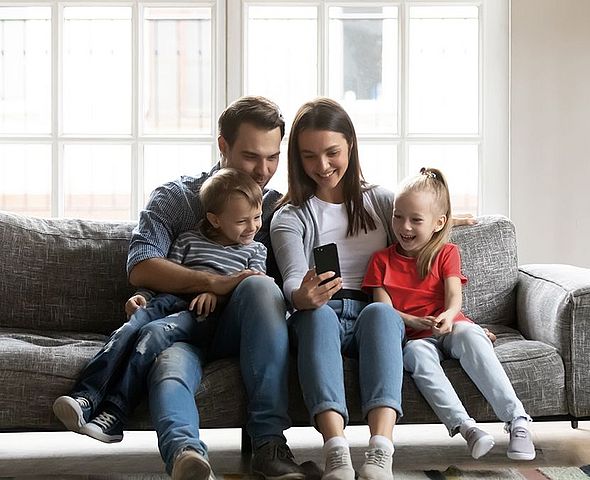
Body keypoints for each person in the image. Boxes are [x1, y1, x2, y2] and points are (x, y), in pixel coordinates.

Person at [57, 96, 306, 480]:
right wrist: (209, 282)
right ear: (222, 145)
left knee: (260, 288)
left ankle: (270, 445)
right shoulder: (177, 198)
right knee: (168, 363)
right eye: (252, 156)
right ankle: (185, 454)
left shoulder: (275, 209)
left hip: (240, 331)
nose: (263, 170)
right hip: (180, 328)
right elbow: (141, 265)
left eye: (273, 157)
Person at [54, 168, 268, 447]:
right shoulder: (188, 240)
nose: (252, 227)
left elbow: (254, 293)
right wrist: (142, 295)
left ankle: (115, 413)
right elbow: (167, 277)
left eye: (257, 217)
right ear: (215, 219)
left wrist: (219, 294)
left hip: (202, 316)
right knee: (132, 325)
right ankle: (86, 397)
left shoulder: (255, 251)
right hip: (168, 300)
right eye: (242, 220)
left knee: (152, 334)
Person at [270, 98, 405, 480]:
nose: (323, 166)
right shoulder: (290, 216)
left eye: (332, 153)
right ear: (297, 157)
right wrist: (302, 296)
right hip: (321, 313)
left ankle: (381, 450)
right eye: (310, 156)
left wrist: (442, 223)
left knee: (381, 312)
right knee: (316, 316)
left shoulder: (381, 201)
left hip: (372, 310)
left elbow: (420, 250)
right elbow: (293, 280)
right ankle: (336, 450)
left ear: (350, 146)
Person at [362, 167, 536, 462]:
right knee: (415, 354)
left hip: (451, 326)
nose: (404, 226)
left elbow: (455, 298)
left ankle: (518, 420)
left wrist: (448, 315)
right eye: (397, 216)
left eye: (416, 220)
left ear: (438, 223)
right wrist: (416, 322)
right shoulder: (380, 260)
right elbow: (383, 309)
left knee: (469, 333)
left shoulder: (446, 253)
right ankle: (467, 428)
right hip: (416, 337)